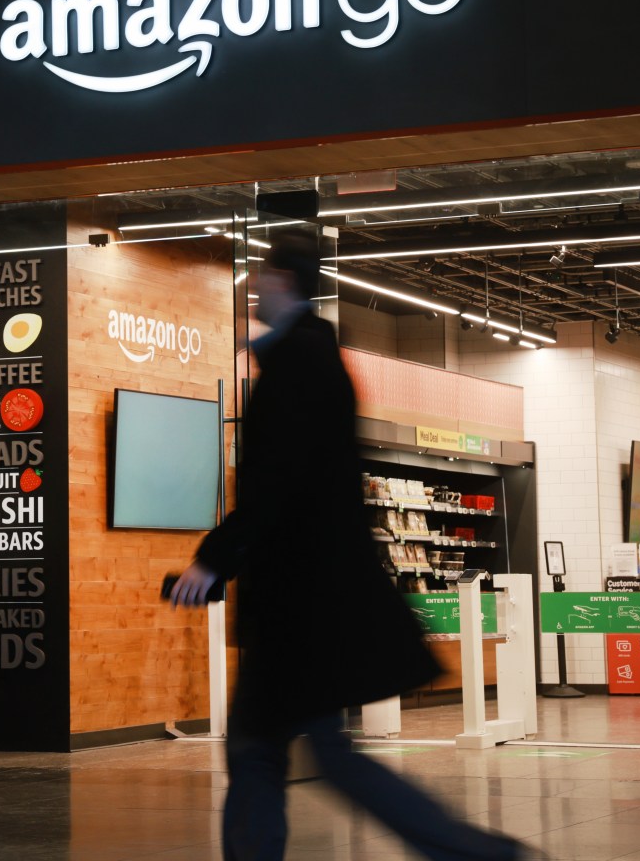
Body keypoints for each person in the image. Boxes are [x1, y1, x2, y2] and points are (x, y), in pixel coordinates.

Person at [170, 232, 538, 861]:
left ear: (283, 283)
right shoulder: (309, 359)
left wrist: (214, 558)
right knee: (301, 753)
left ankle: (479, 853)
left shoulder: (299, 367)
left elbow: (278, 483)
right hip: (310, 603)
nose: (253, 286)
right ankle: (476, 853)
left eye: (261, 276)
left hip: (301, 605)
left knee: (271, 752)